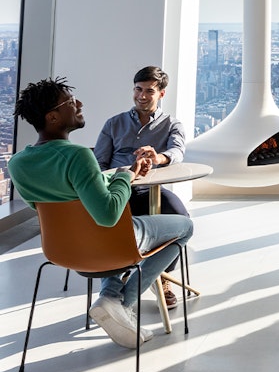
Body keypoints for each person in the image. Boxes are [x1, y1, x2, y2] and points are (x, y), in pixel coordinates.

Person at [9, 78, 193, 349]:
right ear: (53, 116)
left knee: (123, 227)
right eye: (71, 102)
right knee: (185, 227)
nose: (79, 104)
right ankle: (120, 303)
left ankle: (111, 298)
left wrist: (122, 176)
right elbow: (107, 215)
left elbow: (55, 205)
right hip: (110, 246)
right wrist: (123, 177)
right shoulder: (77, 155)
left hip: (62, 251)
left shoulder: (18, 164)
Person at [95, 65, 189, 308]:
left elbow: (177, 151)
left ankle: (161, 275)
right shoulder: (113, 123)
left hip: (151, 189)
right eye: (138, 89)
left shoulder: (172, 124)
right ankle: (122, 278)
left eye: (149, 91)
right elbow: (99, 163)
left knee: (180, 217)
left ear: (161, 94)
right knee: (114, 225)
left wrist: (158, 158)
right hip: (117, 188)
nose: (142, 96)